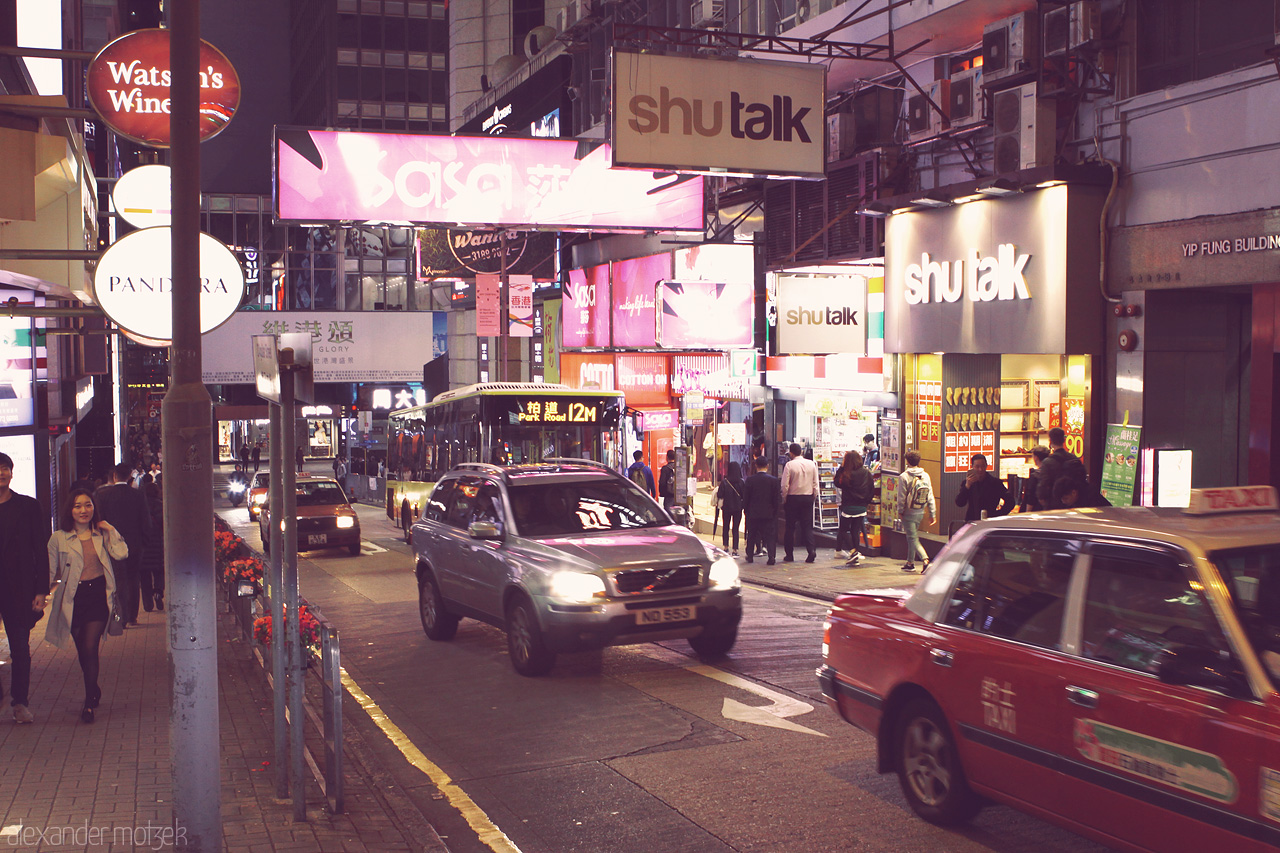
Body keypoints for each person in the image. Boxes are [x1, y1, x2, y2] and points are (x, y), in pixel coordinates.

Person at [43, 486, 128, 724]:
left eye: (88, 505)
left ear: (94, 508)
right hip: (72, 599)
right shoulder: (58, 538)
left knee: (90, 646)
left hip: (98, 597)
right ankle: (94, 687)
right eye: (78, 506)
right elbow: (50, 570)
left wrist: (111, 529)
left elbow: (121, 554)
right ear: (70, 510)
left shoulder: (101, 534)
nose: (83, 510)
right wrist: (39, 595)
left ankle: (89, 701)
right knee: (83, 649)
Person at [0, 452, 52, 724]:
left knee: (20, 649)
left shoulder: (28, 506)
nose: (1, 472)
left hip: (18, 590)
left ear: (11, 472)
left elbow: (39, 550)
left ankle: (20, 703)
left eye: (5, 468)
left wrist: (41, 591)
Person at [92, 462, 152, 625]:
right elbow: (145, 521)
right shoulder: (138, 495)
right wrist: (143, 543)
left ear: (114, 476)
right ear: (129, 477)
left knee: (118, 580)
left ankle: (121, 617)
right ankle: (132, 616)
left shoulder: (102, 495)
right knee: (133, 579)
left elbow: (98, 520)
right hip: (134, 544)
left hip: (111, 544)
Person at [897, 449, 935, 573]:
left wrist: (900, 511)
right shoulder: (926, 475)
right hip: (920, 511)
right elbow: (930, 496)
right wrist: (932, 513)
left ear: (907, 461)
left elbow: (901, 497)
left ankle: (925, 560)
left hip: (909, 512)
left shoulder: (904, 476)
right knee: (912, 537)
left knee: (913, 538)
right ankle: (910, 562)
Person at [833, 450, 874, 565]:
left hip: (848, 507)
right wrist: (866, 502)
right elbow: (871, 489)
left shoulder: (846, 474)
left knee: (843, 530)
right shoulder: (866, 473)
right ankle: (855, 554)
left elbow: (837, 482)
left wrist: (841, 468)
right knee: (855, 530)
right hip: (861, 507)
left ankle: (853, 551)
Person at [780, 442, 819, 563]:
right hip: (807, 497)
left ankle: (789, 555)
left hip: (793, 498)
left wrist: (784, 498)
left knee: (790, 527)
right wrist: (814, 496)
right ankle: (811, 550)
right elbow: (815, 483)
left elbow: (784, 485)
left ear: (791, 453)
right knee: (807, 526)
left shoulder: (789, 465)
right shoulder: (812, 464)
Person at [1036, 427, 1090, 510]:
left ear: (1050, 441)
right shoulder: (1074, 458)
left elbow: (1042, 489)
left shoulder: (1047, 462)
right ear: (1064, 440)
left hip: (1054, 505)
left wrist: (1047, 505)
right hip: (1074, 503)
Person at [741, 456, 781, 565]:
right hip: (768, 514)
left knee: (752, 535)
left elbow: (746, 498)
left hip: (753, 513)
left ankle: (749, 556)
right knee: (770, 536)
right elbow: (776, 499)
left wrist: (746, 511)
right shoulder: (774, 481)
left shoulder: (750, 480)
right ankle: (771, 556)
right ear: (767, 466)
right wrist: (775, 512)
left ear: (756, 466)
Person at [953, 454, 1011, 522]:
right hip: (972, 522)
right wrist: (967, 486)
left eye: (983, 466)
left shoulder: (995, 483)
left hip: (990, 521)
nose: (980, 469)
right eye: (977, 466)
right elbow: (960, 503)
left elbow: (1010, 501)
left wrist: (998, 514)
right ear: (972, 467)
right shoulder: (967, 483)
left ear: (986, 466)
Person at [140, 472, 164, 611]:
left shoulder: (139, 507)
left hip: (144, 546)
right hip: (158, 545)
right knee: (159, 571)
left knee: (144, 575)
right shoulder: (161, 506)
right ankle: (158, 592)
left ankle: (148, 604)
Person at [716, 460, 745, 555]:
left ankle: (725, 547)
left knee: (726, 527)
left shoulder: (725, 482)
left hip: (727, 508)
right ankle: (735, 549)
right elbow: (744, 495)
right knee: (735, 528)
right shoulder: (741, 482)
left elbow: (720, 495)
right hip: (738, 508)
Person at [1019, 445, 1050, 512]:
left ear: (1035, 457)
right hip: (1049, 509)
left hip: (1036, 510)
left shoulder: (1035, 476)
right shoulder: (1052, 473)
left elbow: (1031, 498)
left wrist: (1027, 512)